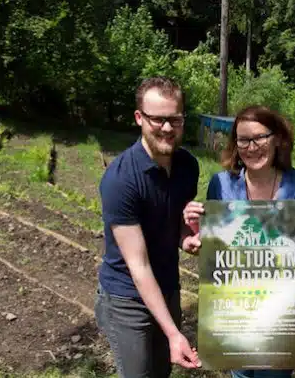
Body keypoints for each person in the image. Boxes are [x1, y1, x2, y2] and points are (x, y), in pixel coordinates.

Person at [183, 105, 295, 378]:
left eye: (260, 137)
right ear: (235, 143)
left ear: (277, 138)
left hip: (281, 315)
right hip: (235, 312)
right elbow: (215, 243)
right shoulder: (221, 184)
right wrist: (197, 229)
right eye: (243, 140)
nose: (252, 147)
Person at [94, 76, 202, 378]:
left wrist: (188, 238)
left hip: (167, 285)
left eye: (175, 119)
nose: (167, 128)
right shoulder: (120, 180)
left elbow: (177, 222)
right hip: (126, 297)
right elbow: (138, 266)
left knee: (160, 373)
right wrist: (173, 333)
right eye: (158, 119)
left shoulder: (187, 165)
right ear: (139, 118)